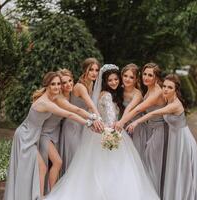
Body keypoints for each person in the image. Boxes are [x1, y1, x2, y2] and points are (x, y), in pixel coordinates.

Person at [44, 64, 160, 200]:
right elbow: (111, 118)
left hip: (107, 131)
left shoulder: (112, 93)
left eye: (116, 79)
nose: (114, 82)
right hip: (109, 132)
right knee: (113, 168)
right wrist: (113, 131)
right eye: (110, 80)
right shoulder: (106, 96)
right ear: (105, 81)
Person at [3, 72, 94, 200]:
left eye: (58, 84)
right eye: (53, 84)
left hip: (33, 135)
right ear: (47, 86)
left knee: (41, 167)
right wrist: (89, 122)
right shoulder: (46, 103)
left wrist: (92, 117)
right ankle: (38, 196)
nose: (57, 87)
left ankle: (40, 195)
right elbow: (70, 114)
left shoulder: (52, 99)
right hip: (25, 136)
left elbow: (75, 110)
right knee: (39, 167)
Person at [127, 74, 197, 200]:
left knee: (182, 170)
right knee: (175, 170)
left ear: (176, 90)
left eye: (170, 87)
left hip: (182, 140)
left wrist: (136, 122)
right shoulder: (167, 99)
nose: (165, 89)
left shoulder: (175, 104)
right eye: (164, 86)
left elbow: (154, 113)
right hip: (174, 139)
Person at [115, 63, 168, 197]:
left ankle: (154, 194)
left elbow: (137, 109)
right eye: (145, 74)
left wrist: (121, 122)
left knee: (149, 163)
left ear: (156, 77)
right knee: (143, 162)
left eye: (150, 75)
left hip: (156, 130)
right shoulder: (148, 89)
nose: (147, 77)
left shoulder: (155, 92)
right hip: (148, 127)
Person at [60, 58, 104, 174]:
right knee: (73, 160)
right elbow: (91, 105)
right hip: (72, 125)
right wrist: (98, 119)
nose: (94, 73)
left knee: (80, 160)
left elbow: (90, 108)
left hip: (82, 125)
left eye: (96, 70)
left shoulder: (91, 84)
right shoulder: (80, 86)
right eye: (91, 70)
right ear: (85, 70)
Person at [120, 63, 146, 160]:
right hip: (123, 124)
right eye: (125, 76)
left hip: (135, 127)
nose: (127, 79)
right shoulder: (119, 89)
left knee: (134, 155)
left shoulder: (137, 94)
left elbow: (129, 108)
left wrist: (120, 122)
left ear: (136, 79)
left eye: (131, 77)